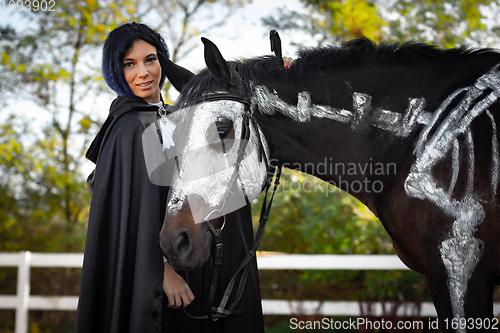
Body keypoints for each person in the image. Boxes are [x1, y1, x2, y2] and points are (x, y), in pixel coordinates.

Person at [75, 22, 276, 333]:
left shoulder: (182, 119)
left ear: (162, 63)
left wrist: (280, 76)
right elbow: (126, 218)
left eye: (150, 60)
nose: (143, 72)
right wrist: (160, 270)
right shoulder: (127, 128)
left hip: (202, 266)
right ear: (117, 71)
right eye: (130, 64)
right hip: (160, 287)